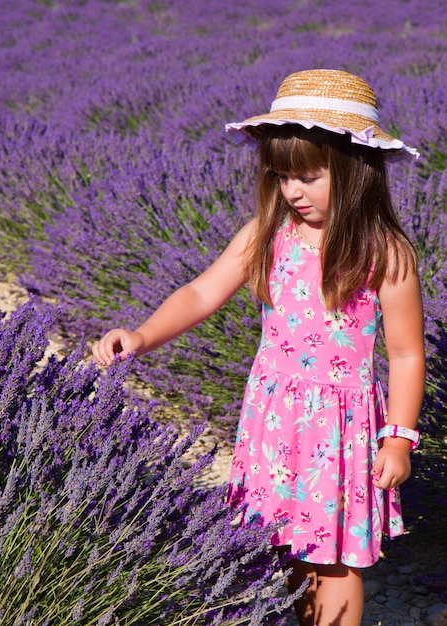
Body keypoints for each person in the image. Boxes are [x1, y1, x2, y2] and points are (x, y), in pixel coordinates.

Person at [91, 69, 425, 626]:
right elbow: (201, 292)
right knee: (280, 544)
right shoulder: (265, 235)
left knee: (336, 560)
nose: (293, 191)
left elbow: (408, 353)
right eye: (283, 177)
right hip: (273, 418)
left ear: (355, 169)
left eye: (309, 177)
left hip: (340, 431)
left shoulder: (385, 254)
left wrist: (400, 442)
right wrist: (143, 335)